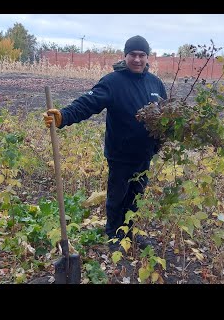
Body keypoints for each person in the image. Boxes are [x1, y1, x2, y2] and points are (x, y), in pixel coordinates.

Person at [43, 35, 167, 252]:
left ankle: (128, 234)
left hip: (145, 154)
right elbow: (87, 103)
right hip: (120, 154)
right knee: (117, 197)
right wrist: (63, 116)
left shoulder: (155, 84)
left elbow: (165, 115)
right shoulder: (112, 82)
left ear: (148, 57)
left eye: (142, 55)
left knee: (136, 197)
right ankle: (113, 235)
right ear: (125, 56)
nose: (137, 59)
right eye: (133, 55)